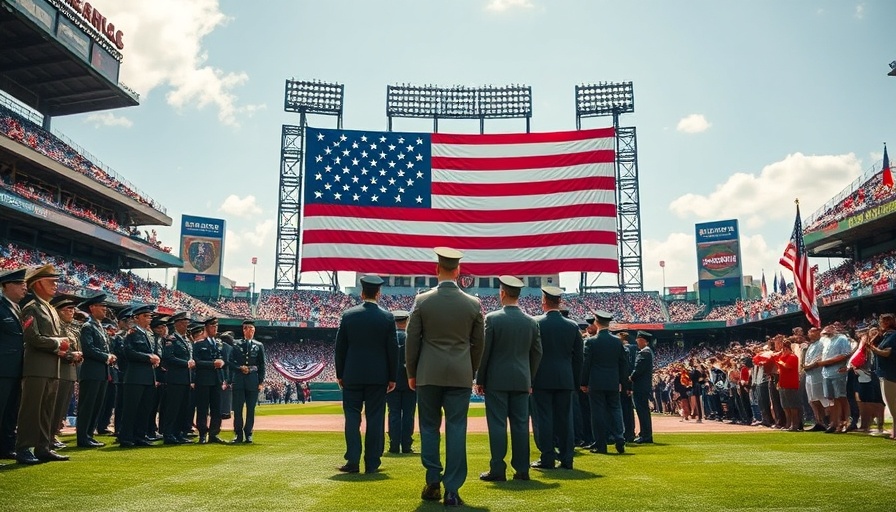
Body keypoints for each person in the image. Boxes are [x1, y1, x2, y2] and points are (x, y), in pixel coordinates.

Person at [406, 247, 484, 508]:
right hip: (460, 374)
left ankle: (432, 481)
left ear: (436, 269)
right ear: (458, 270)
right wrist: (470, 370)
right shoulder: (473, 304)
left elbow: (412, 340)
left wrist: (411, 372)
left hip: (428, 373)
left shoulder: (422, 301)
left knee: (429, 428)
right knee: (456, 429)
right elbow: (478, 344)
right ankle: (452, 490)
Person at [476, 275, 542, 482]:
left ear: (502, 293)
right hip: (522, 380)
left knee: (497, 425)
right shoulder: (531, 321)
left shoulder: (493, 319)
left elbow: (485, 352)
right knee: (521, 425)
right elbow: (537, 353)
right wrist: (529, 378)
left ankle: (498, 468)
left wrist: (480, 379)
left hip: (497, 380)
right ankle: (522, 469)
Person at [333, 275, 397, 474]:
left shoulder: (349, 315)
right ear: (378, 293)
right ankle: (372, 463)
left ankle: (352, 461)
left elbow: (340, 348)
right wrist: (392, 377)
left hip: (352, 374)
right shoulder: (387, 317)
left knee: (352, 418)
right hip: (378, 377)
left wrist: (340, 374)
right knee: (375, 418)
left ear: (362, 293)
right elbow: (393, 349)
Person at [16, 265, 71, 464]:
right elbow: (33, 338)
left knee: (47, 410)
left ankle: (43, 446)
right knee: (32, 409)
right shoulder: (31, 307)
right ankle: (24, 448)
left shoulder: (50, 309)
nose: (56, 285)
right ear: (38, 283)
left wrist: (61, 346)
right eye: (51, 282)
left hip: (52, 365)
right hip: (36, 366)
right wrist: (58, 343)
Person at [530, 285, 582, 471]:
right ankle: (567, 458)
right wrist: (575, 382)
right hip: (565, 379)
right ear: (560, 302)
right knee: (565, 420)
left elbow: (531, 353)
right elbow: (578, 358)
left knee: (543, 419)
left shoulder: (535, 322)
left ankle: (547, 457)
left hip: (541, 378)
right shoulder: (572, 325)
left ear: (544, 301)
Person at [580, 310, 628, 455]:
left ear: (596, 322)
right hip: (613, 381)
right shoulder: (617, 341)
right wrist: (623, 382)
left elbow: (586, 364)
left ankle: (600, 444)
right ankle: (619, 437)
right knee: (615, 409)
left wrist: (583, 382)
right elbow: (623, 364)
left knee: (597, 413)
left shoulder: (591, 341)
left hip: (596, 382)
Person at [76, 293, 115, 448]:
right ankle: (83, 437)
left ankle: (89, 435)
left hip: (102, 372)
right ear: (92, 308)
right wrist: (107, 356)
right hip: (91, 371)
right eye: (102, 306)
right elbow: (89, 349)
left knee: (97, 405)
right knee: (87, 406)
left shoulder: (98, 326)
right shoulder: (88, 326)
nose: (105, 309)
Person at [119, 304, 160, 447]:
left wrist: (154, 357)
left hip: (148, 376)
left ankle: (140, 436)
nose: (149, 319)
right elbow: (128, 352)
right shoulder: (132, 332)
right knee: (131, 408)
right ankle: (126, 437)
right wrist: (148, 357)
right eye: (146, 316)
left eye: (150, 316)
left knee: (145, 408)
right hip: (135, 376)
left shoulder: (147, 333)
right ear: (136, 318)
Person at [0, 268, 27, 460]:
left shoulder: (16, 308)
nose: (24, 288)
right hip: (2, 369)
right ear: (6, 286)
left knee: (11, 411)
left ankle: (6, 447)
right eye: (19, 284)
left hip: (16, 368)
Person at [50, 295, 83, 449]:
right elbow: (58, 347)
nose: (71, 312)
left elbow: (77, 346)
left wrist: (78, 355)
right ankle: (48, 435)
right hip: (59, 368)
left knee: (62, 405)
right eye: (67, 309)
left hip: (70, 369)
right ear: (58, 311)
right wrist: (71, 355)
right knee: (54, 404)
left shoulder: (72, 328)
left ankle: (54, 433)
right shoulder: (57, 326)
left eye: (72, 309)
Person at [229, 319, 266, 444]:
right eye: (249, 328)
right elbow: (230, 362)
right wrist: (239, 368)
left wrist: (261, 382)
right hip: (239, 379)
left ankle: (248, 433)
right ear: (244, 330)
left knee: (251, 409)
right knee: (238, 409)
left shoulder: (259, 345)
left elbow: (262, 365)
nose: (251, 331)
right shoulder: (236, 344)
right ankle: (238, 434)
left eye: (253, 329)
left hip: (252, 380)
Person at [161, 312, 194, 444]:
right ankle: (168, 434)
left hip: (185, 378)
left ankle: (178, 433)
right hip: (175, 378)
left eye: (187, 323)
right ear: (178, 324)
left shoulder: (185, 340)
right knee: (173, 408)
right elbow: (168, 358)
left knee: (182, 408)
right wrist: (185, 363)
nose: (186, 326)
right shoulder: (171, 339)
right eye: (184, 323)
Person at [386, 310, 416, 454]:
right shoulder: (412, 338)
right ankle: (406, 445)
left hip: (392, 381)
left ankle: (393, 445)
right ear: (407, 321)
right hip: (410, 382)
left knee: (393, 413)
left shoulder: (388, 338)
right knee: (408, 414)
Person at [193, 317, 226, 444]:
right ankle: (202, 433)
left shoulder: (218, 343)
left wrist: (221, 363)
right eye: (212, 326)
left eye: (216, 326)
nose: (215, 328)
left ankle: (214, 433)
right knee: (202, 408)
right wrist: (213, 364)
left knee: (216, 409)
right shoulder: (199, 344)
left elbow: (223, 359)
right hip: (203, 379)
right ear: (206, 327)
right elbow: (197, 362)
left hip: (216, 379)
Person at [867, 313, 896, 439]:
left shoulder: (892, 336)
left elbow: (886, 353)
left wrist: (873, 349)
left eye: (882, 321)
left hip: (890, 373)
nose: (880, 323)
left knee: (892, 403)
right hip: (884, 372)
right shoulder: (885, 336)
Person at [630, 331, 655, 444]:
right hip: (643, 386)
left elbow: (638, 370)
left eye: (638, 339)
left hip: (640, 386)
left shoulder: (645, 353)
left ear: (645, 341)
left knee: (642, 411)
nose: (636, 341)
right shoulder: (647, 352)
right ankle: (645, 434)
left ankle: (645, 435)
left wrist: (630, 377)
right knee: (642, 411)